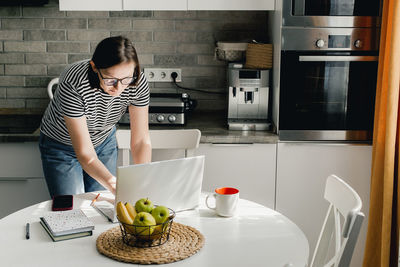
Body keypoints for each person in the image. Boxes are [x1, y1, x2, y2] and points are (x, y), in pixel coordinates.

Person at [39, 36, 151, 197]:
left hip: (104, 141)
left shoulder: (137, 81)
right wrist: (113, 185)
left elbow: (140, 140)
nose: (118, 88)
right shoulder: (73, 81)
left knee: (101, 203)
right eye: (110, 79)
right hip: (61, 146)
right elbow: (85, 154)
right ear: (94, 67)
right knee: (72, 208)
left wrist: (144, 179)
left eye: (126, 78)